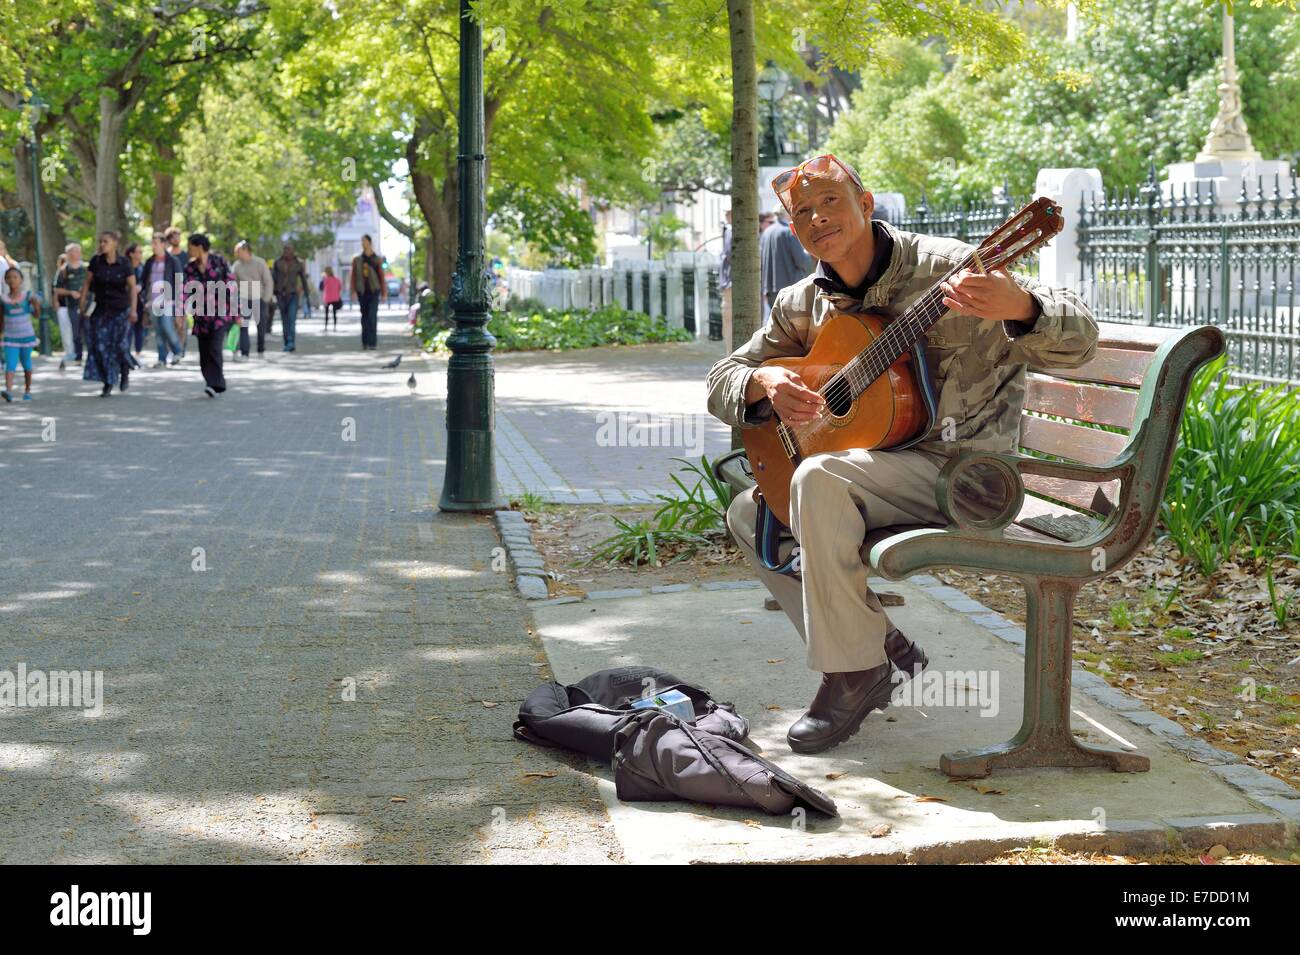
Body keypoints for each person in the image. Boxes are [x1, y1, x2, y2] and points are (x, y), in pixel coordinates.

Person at [706, 153, 1098, 755]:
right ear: (792, 229)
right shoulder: (803, 302)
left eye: (830, 201)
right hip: (870, 475)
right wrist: (765, 385)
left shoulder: (950, 269)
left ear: (866, 204)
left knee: (818, 478)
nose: (817, 218)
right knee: (751, 513)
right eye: (801, 212)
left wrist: (1020, 308)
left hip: (966, 476)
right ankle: (875, 646)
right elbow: (721, 379)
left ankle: (855, 674)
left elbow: (1083, 338)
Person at [79, 230, 137, 397]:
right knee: (100, 346)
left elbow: (132, 288)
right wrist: (82, 303)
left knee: (119, 346)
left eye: (105, 241)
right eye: (101, 241)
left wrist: (133, 310)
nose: (102, 244)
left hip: (120, 310)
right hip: (101, 310)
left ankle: (124, 369)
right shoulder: (96, 262)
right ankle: (108, 381)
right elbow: (87, 283)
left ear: (114, 244)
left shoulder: (124, 263)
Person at [182, 233, 236, 397]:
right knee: (204, 352)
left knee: (214, 349)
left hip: (219, 314)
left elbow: (231, 285)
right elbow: (184, 291)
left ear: (199, 247)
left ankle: (217, 383)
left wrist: (237, 310)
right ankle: (210, 382)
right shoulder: (189, 268)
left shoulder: (219, 263)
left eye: (190, 247)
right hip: (201, 316)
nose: (188, 250)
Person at [759, 204, 814, 315]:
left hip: (770, 290)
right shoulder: (788, 231)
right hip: (792, 289)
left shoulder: (766, 232)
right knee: (796, 325)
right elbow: (802, 261)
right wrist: (812, 255)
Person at [141, 233, 184, 368]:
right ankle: (161, 359)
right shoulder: (149, 262)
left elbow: (179, 282)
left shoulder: (173, 261)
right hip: (153, 302)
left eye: (156, 243)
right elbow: (144, 282)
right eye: (152, 243)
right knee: (158, 331)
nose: (153, 246)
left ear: (164, 244)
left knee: (167, 326)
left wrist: (179, 306)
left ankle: (177, 350)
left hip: (168, 300)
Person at [1, 265, 40, 401]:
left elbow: (36, 315)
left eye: (15, 277)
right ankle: (9, 391)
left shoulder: (28, 296)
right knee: (10, 364)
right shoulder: (3, 299)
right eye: (9, 278)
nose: (12, 280)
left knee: (26, 364)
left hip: (26, 337)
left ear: (21, 280)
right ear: (5, 280)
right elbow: (1, 320)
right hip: (10, 337)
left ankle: (27, 390)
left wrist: (36, 306)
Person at [232, 240, 274, 357]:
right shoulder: (236, 266)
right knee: (243, 326)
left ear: (246, 251)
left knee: (261, 326)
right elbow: (233, 284)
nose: (236, 254)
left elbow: (268, 281)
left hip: (259, 297)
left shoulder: (259, 263)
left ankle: (261, 349)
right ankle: (245, 352)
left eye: (238, 251)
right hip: (244, 297)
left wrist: (265, 298)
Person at [53, 242, 88, 362]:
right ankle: (78, 356)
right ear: (68, 254)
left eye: (77, 251)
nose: (75, 254)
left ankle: (93, 354)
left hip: (88, 304)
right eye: (72, 251)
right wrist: (70, 292)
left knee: (89, 329)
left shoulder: (86, 268)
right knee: (76, 331)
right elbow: (57, 289)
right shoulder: (63, 270)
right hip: (72, 305)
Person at [272, 242, 309, 353]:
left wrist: (306, 293)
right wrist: (273, 292)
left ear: (292, 250)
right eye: (285, 249)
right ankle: (286, 342)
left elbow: (303, 279)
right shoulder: (278, 262)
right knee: (284, 320)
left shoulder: (298, 263)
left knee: (292, 320)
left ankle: (291, 342)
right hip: (280, 294)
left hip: (293, 294)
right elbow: (273, 278)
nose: (287, 251)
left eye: (289, 249)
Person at [350, 234, 383, 350]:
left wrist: (384, 293)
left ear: (369, 242)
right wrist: (353, 291)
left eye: (364, 241)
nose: (362, 243)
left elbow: (381, 277)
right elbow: (353, 276)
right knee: (364, 317)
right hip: (362, 291)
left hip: (374, 291)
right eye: (361, 241)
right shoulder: (357, 259)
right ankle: (365, 342)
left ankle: (372, 343)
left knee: (372, 316)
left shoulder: (376, 259)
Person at [124, 242, 146, 363]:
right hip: (127, 300)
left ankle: (138, 351)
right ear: (131, 254)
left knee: (139, 327)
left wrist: (141, 287)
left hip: (140, 301)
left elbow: (146, 282)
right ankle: (126, 350)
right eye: (139, 252)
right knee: (128, 327)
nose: (141, 254)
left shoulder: (143, 267)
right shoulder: (126, 266)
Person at [719, 209, 733, 352]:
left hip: (730, 284)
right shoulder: (729, 231)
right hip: (731, 284)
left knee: (729, 323)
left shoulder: (730, 231)